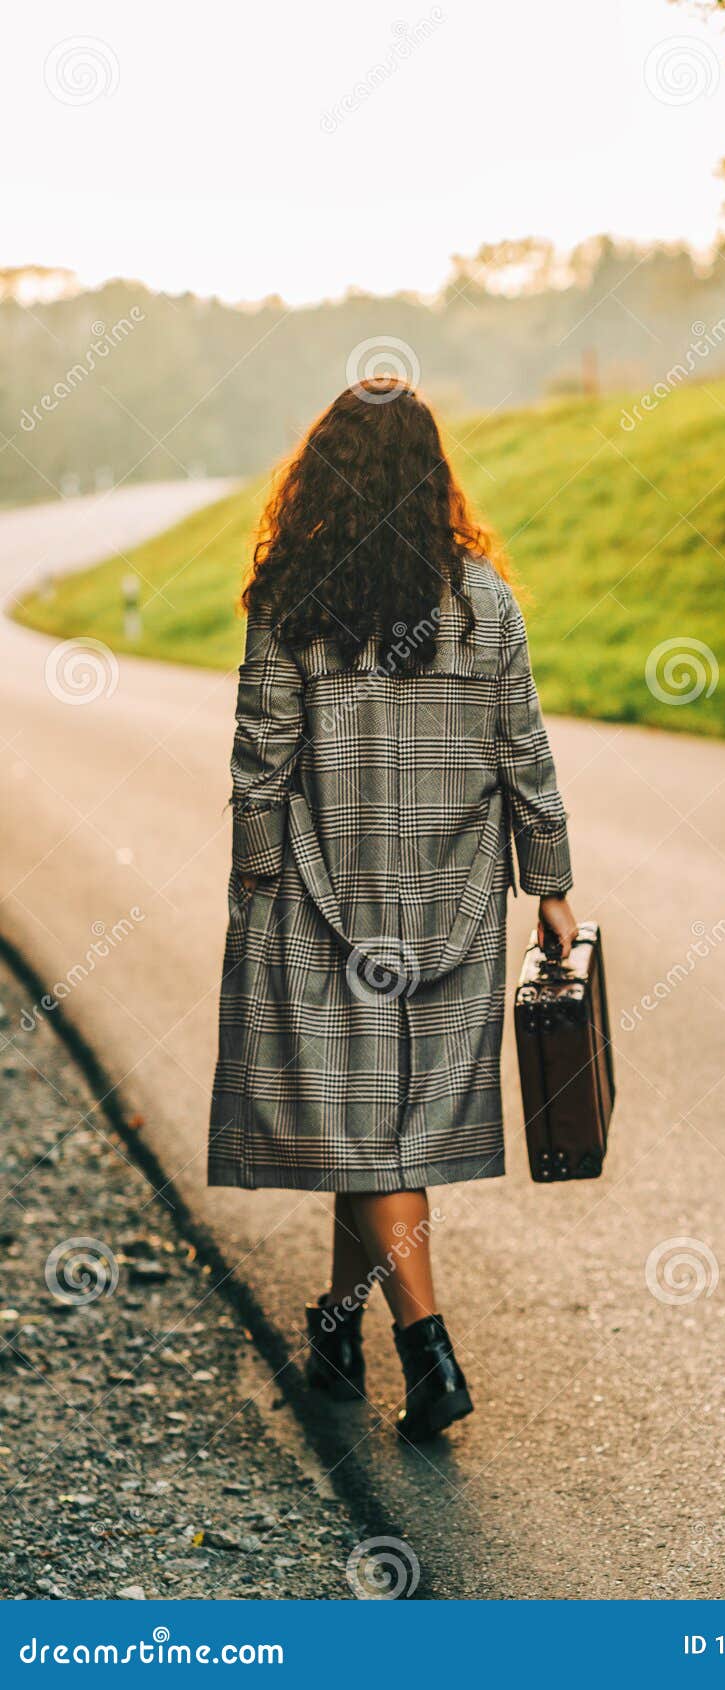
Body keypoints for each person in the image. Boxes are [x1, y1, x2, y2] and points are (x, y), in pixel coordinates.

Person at [207, 378, 576, 1441]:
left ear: (319, 475)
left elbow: (260, 760)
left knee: (368, 1128)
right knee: (380, 1125)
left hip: (325, 902)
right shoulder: (485, 599)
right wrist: (548, 882)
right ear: (431, 476)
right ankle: (335, 1326)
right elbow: (524, 756)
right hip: (456, 902)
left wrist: (255, 886)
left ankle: (428, 1351)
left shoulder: (290, 596)